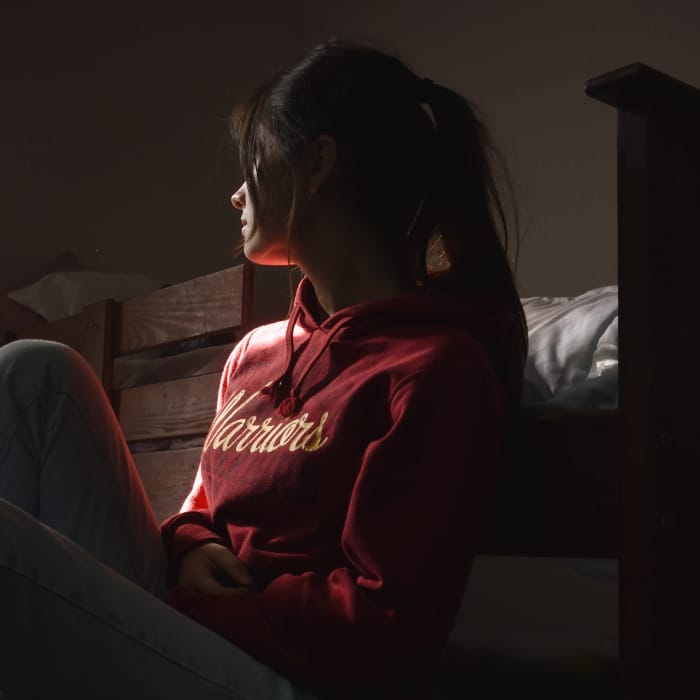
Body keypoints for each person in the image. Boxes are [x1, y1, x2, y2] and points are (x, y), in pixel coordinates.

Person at [0, 39, 527, 699]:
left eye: (254, 163)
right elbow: (199, 510)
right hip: (200, 633)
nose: (235, 194)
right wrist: (190, 546)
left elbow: (384, 626)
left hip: (291, 675)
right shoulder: (255, 354)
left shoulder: (433, 369)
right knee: (35, 373)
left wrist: (187, 608)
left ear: (317, 165)